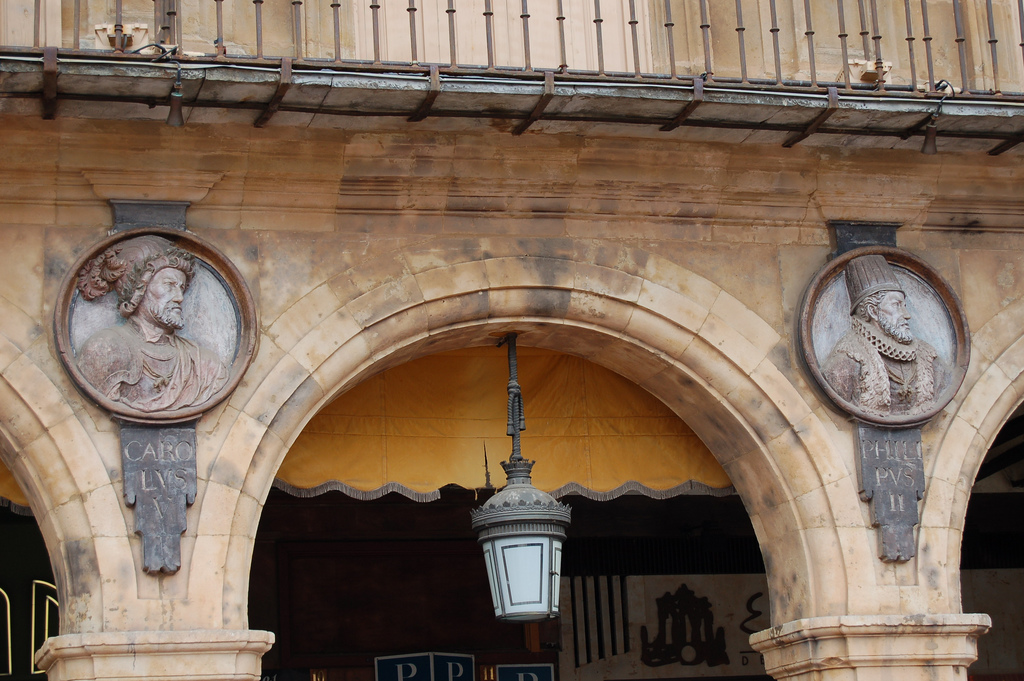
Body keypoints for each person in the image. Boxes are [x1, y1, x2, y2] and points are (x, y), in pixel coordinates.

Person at [76, 235, 228, 413]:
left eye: (182, 287)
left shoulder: (206, 365)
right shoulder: (104, 349)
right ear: (138, 291)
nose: (179, 298)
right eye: (169, 285)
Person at [822, 254, 948, 418]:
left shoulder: (929, 357)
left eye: (904, 305)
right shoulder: (846, 361)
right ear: (873, 311)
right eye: (896, 305)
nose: (907, 314)